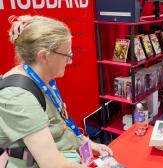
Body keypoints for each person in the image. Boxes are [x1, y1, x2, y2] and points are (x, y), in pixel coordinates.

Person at [0, 15, 112, 167]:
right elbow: (52, 164)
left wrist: (90, 144)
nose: (70, 61)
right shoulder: (18, 97)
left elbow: (60, 124)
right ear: (44, 56)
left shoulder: (42, 78)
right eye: (67, 55)